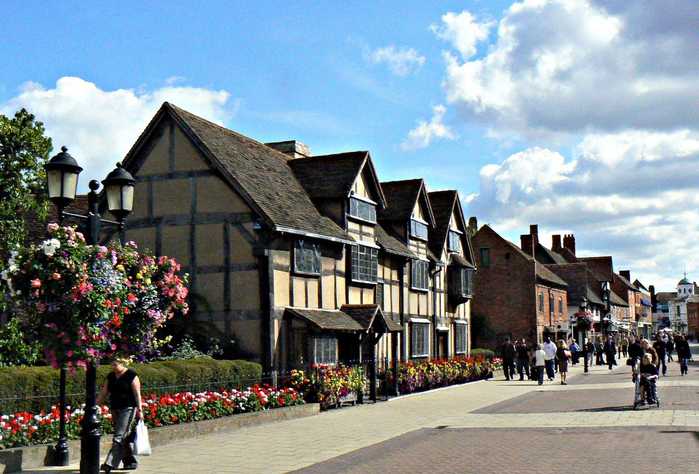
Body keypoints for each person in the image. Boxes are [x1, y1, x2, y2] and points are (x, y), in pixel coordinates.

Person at [98, 357, 144, 473]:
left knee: (118, 436)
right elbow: (104, 392)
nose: (113, 367)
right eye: (111, 365)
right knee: (122, 436)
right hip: (115, 408)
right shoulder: (111, 376)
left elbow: (137, 394)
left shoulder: (131, 375)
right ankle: (129, 460)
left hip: (128, 408)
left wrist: (140, 410)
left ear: (122, 364)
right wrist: (94, 405)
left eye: (115, 365)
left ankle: (109, 463)